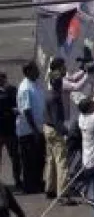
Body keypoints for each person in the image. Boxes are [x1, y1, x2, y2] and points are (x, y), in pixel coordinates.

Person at [15, 62, 45, 195]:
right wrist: (34, 131)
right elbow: (26, 111)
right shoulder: (25, 88)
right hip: (28, 132)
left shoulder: (35, 84)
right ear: (28, 72)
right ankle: (29, 186)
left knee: (39, 158)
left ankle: (37, 182)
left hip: (38, 129)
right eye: (35, 70)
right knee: (29, 160)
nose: (38, 71)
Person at [41, 59, 68, 200]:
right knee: (61, 161)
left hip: (46, 128)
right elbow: (57, 120)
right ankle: (62, 194)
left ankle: (49, 188)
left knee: (50, 159)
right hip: (55, 130)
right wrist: (65, 132)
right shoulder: (56, 97)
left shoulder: (48, 93)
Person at [0, 72, 17, 188]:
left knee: (15, 156)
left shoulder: (11, 90)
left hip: (10, 130)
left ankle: (18, 180)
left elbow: (15, 106)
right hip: (4, 130)